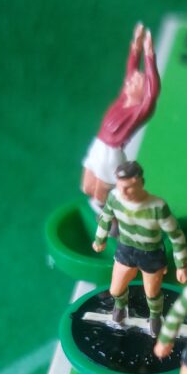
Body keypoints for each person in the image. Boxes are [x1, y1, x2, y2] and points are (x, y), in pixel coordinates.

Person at [91, 161, 187, 335]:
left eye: (128, 188)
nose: (123, 192)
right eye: (120, 187)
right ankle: (120, 307)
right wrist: (100, 239)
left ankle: (155, 317)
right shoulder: (114, 198)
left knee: (152, 293)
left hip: (151, 254)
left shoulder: (157, 207)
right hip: (126, 250)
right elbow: (105, 218)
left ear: (140, 183)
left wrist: (182, 265)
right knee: (115, 290)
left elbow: (176, 235)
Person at [81, 23, 161, 228]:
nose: (130, 82)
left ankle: (114, 217)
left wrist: (149, 55)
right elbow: (130, 70)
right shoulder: (123, 99)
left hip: (111, 154)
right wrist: (136, 46)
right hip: (98, 145)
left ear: (143, 92)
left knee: (102, 194)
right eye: (131, 81)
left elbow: (152, 91)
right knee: (87, 187)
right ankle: (107, 210)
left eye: (136, 82)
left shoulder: (139, 111)